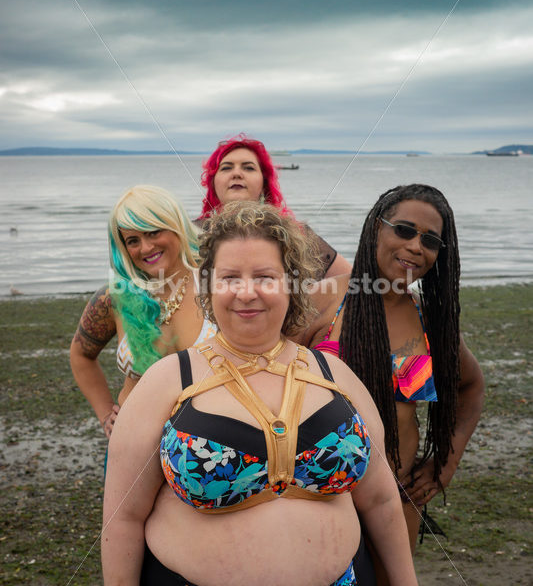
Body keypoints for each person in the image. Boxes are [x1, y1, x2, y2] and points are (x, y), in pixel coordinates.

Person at [102, 202, 418, 586]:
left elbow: (382, 502)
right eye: (230, 277)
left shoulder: (335, 376)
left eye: (265, 277)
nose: (246, 293)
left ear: (292, 284)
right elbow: (122, 520)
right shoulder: (166, 381)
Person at [298, 184, 484, 583]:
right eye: (404, 230)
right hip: (318, 492)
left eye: (431, 240)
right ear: (375, 228)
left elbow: (471, 388)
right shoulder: (324, 300)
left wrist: (444, 464)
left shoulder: (430, 320)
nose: (417, 246)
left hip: (397, 499)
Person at [69, 185, 216, 439]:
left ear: (176, 224)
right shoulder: (117, 296)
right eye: (132, 241)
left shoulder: (215, 285)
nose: (146, 248)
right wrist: (106, 414)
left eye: (153, 232)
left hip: (204, 450)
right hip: (132, 441)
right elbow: (80, 354)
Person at [195, 133, 352, 279]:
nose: (237, 173)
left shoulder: (299, 236)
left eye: (248, 167)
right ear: (213, 183)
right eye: (226, 168)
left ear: (264, 183)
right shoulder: (189, 234)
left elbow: (352, 281)